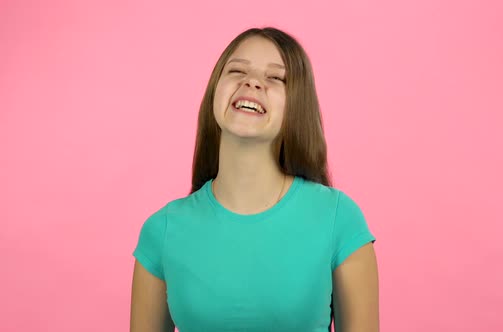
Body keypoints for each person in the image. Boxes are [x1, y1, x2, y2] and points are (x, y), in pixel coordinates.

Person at [130, 27, 379, 332]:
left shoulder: (339, 220)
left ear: (297, 106)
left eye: (275, 78)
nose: (252, 82)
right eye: (236, 70)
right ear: (214, 91)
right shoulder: (162, 230)